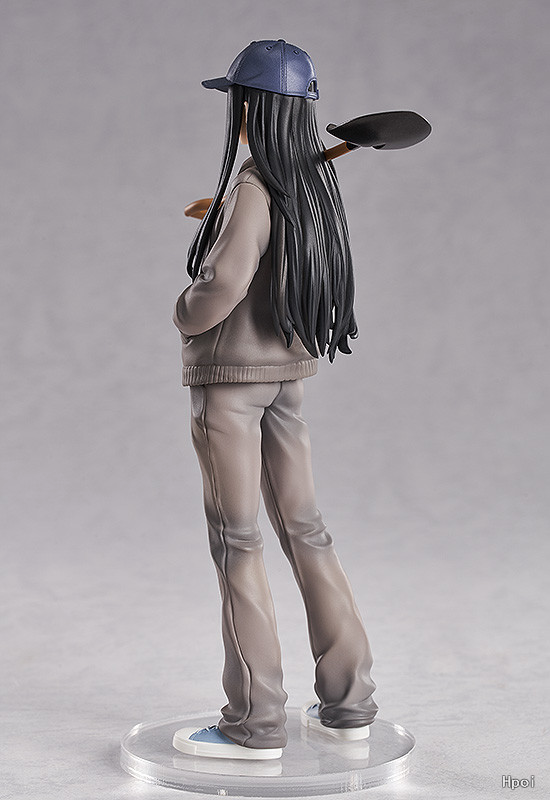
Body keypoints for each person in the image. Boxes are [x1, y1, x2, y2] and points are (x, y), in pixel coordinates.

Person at [171, 40, 378, 761]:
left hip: (231, 385)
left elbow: (225, 284)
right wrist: (228, 216)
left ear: (250, 109)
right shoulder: (310, 184)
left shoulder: (257, 186)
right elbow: (274, 252)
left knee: (238, 541)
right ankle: (350, 703)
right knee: (306, 530)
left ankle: (253, 722)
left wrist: (185, 309)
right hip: (287, 375)